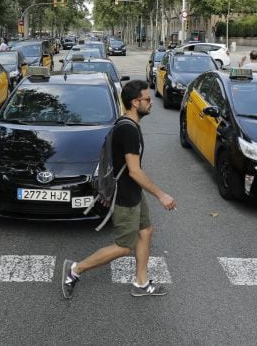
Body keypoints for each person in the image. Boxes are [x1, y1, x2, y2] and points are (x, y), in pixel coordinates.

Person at [62, 80, 177, 299]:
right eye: (147, 99)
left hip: (134, 192)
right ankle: (75, 269)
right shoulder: (128, 130)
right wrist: (161, 195)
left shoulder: (128, 123)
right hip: (125, 195)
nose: (151, 102)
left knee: (146, 231)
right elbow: (134, 171)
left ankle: (141, 283)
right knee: (124, 246)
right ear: (135, 102)